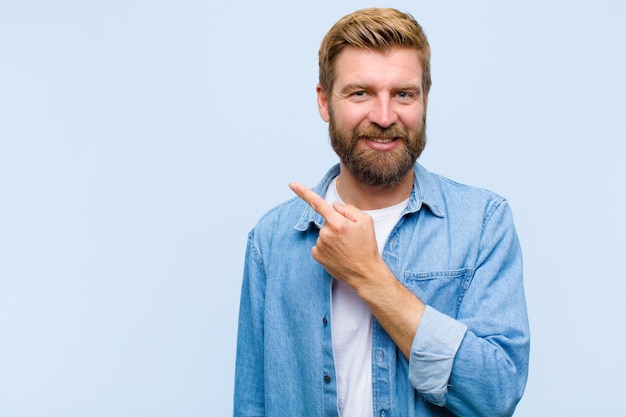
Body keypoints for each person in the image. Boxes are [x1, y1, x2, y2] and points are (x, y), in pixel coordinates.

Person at [234, 7, 530, 417]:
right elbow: (253, 404)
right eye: (361, 93)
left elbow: (496, 396)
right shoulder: (272, 239)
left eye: (404, 94)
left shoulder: (482, 224)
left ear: (425, 99)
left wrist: (369, 275)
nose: (385, 116)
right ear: (324, 101)